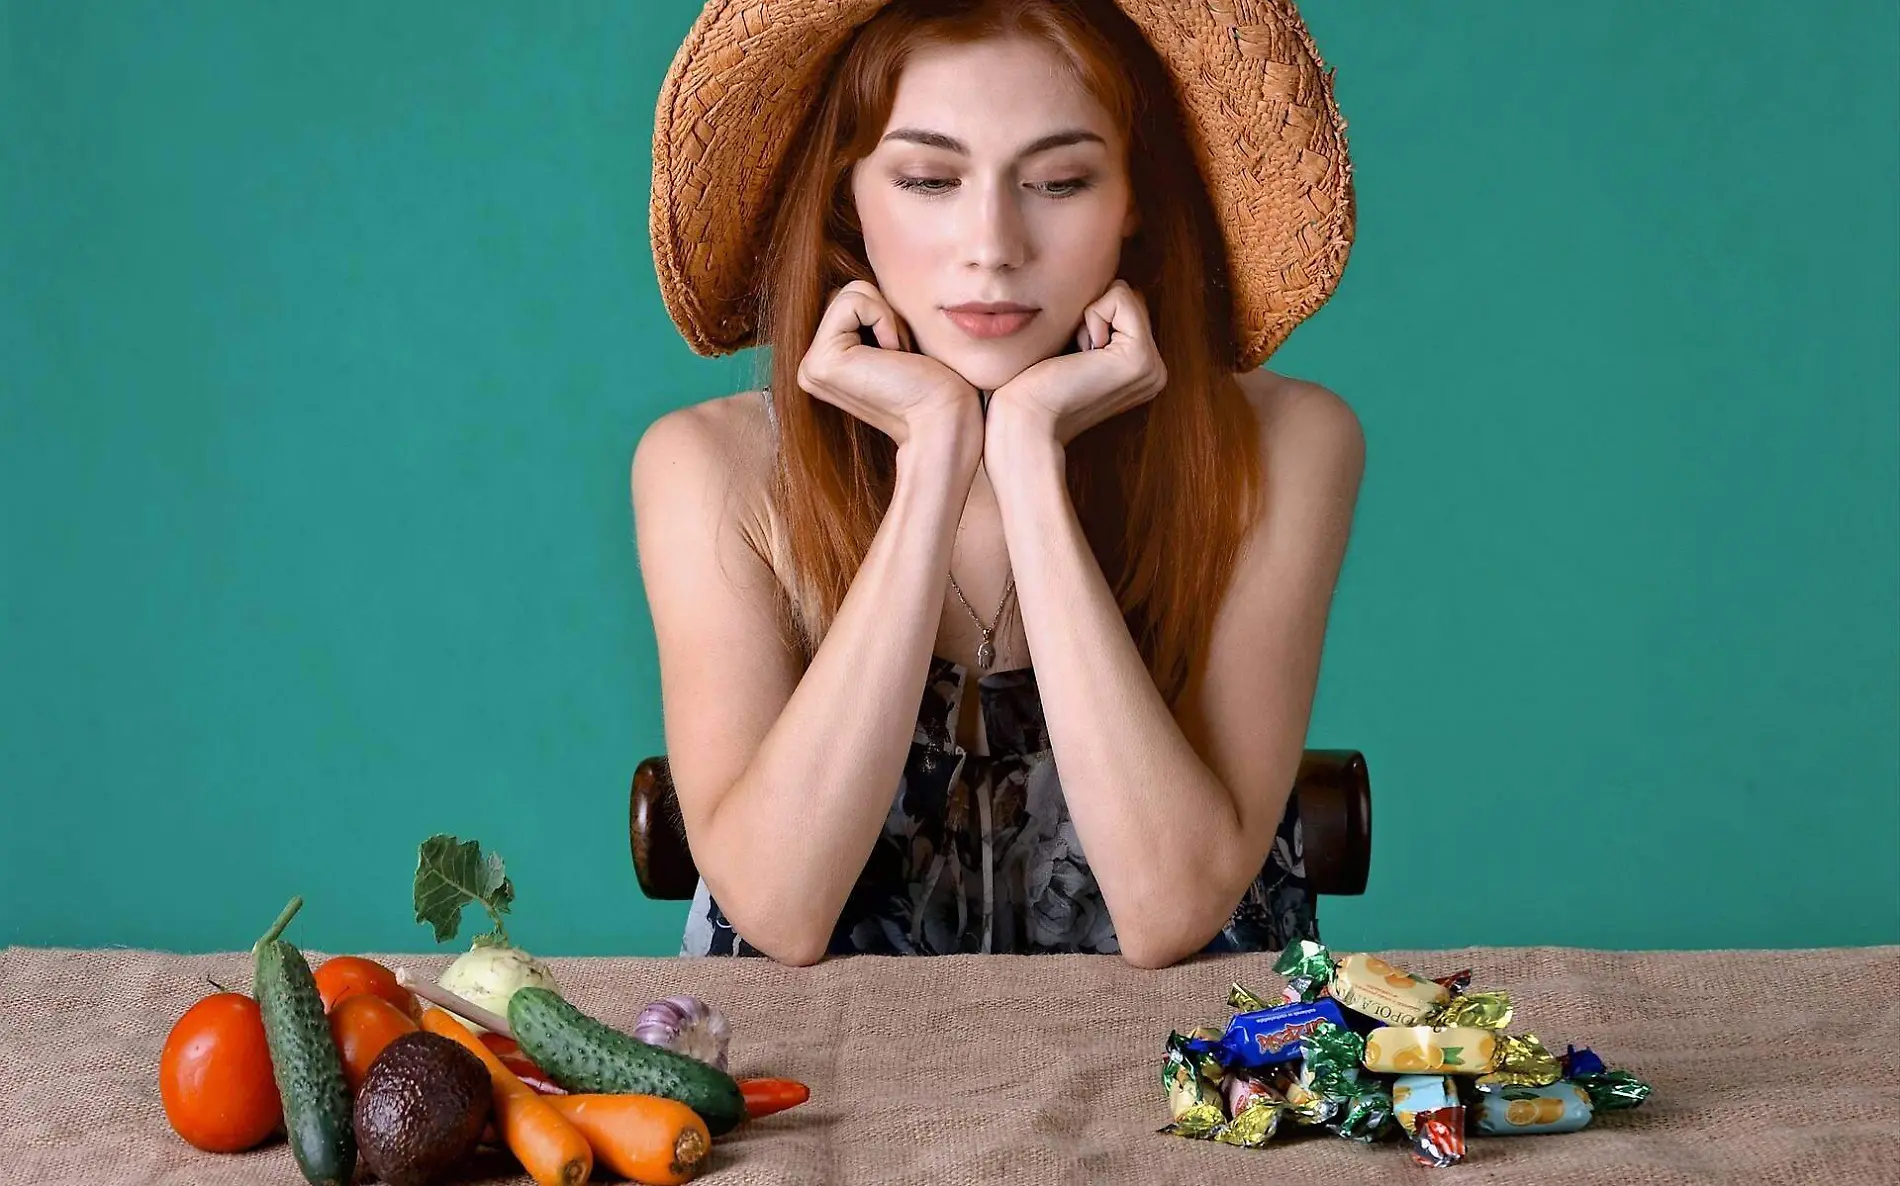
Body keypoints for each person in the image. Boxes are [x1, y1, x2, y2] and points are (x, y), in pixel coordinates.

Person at [632, 0, 1363, 968]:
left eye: (1059, 181)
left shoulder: (1287, 441)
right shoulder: (707, 463)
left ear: (1133, 198)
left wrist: (1026, 455)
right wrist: (932, 454)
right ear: (852, 196)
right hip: (813, 1086)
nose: (993, 244)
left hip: (1190, 1078)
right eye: (929, 179)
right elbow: (779, 909)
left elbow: (1170, 909)